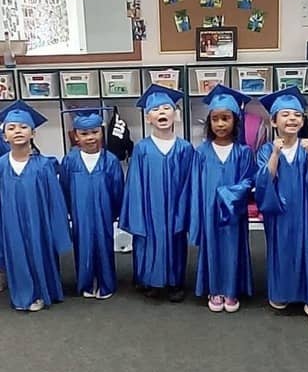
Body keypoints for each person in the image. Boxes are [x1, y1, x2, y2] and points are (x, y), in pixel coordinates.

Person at [256, 87, 308, 331]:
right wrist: (276, 152)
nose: (292, 119)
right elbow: (264, 180)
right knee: (283, 252)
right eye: (285, 114)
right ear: (274, 120)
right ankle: (284, 292)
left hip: (307, 211)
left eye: (297, 115)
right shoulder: (267, 149)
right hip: (280, 211)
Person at [119, 84, 194, 302]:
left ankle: (174, 282)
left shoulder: (185, 148)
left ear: (175, 114)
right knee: (148, 241)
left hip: (175, 208)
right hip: (149, 207)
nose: (161, 112)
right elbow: (134, 184)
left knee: (175, 241)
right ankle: (149, 280)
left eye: (166, 108)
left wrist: (184, 210)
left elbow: (189, 183)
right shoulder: (142, 148)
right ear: (148, 118)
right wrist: (138, 211)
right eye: (155, 110)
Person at [0, 100, 71, 312]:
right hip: (10, 222)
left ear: (33, 134)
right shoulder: (1, 165)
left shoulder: (43, 166)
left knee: (41, 252)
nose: (17, 131)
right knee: (17, 254)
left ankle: (43, 292)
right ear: (5, 136)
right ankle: (23, 295)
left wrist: (58, 230)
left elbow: (55, 201)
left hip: (38, 222)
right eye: (11, 128)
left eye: (23, 127)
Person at [190, 85, 255, 313]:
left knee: (233, 248)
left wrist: (230, 194)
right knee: (212, 248)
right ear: (209, 122)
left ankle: (231, 290)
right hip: (209, 211)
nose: (220, 124)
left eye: (226, 118)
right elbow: (195, 186)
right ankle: (214, 289)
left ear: (235, 121)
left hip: (234, 213)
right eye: (215, 119)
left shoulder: (244, 152)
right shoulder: (201, 152)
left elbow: (249, 181)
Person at [60, 108, 124, 300]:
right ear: (75, 136)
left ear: (102, 132)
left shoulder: (110, 161)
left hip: (104, 212)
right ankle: (86, 282)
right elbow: (64, 186)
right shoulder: (70, 160)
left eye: (95, 132)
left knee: (104, 245)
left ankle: (106, 283)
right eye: (84, 133)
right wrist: (69, 212)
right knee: (82, 245)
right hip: (79, 213)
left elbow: (118, 189)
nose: (90, 137)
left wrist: (114, 213)